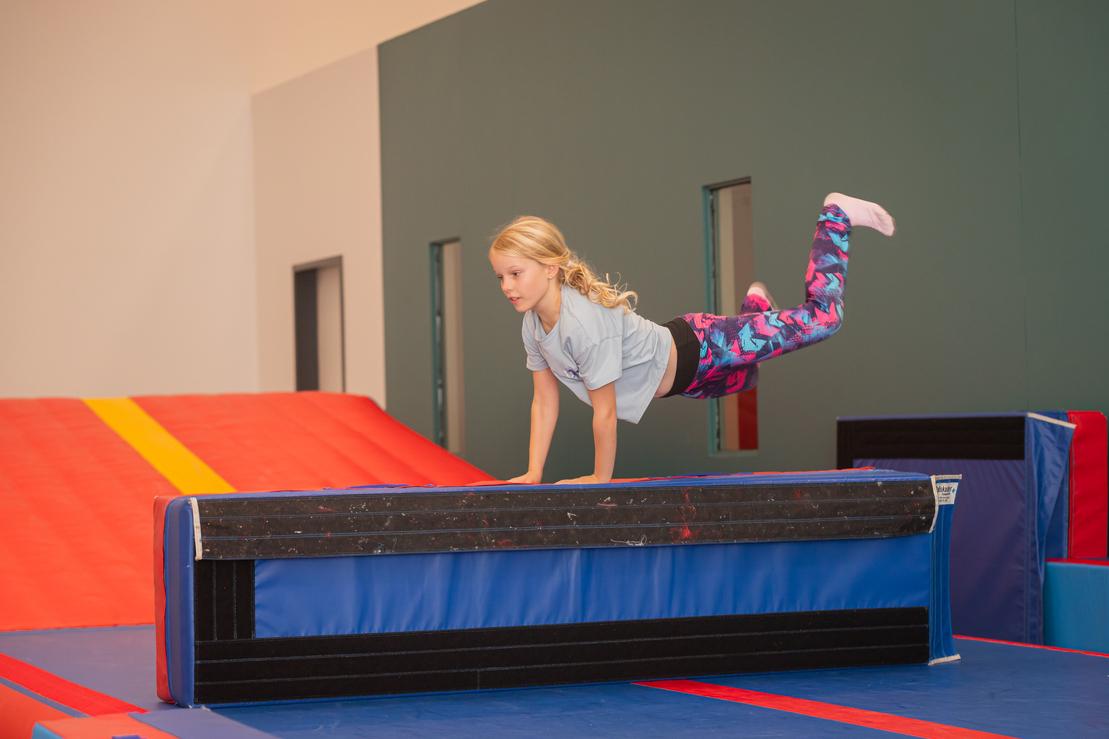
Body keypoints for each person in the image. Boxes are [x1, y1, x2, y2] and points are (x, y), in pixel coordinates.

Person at [488, 193, 895, 484]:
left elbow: (605, 413)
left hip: (703, 345)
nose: (507, 286)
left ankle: (836, 215)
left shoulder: (583, 326)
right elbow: (543, 400)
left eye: (515, 273)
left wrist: (599, 478)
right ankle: (755, 309)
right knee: (748, 377)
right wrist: (533, 472)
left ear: (551, 268)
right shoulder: (534, 327)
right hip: (690, 381)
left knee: (824, 318)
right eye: (500, 276)